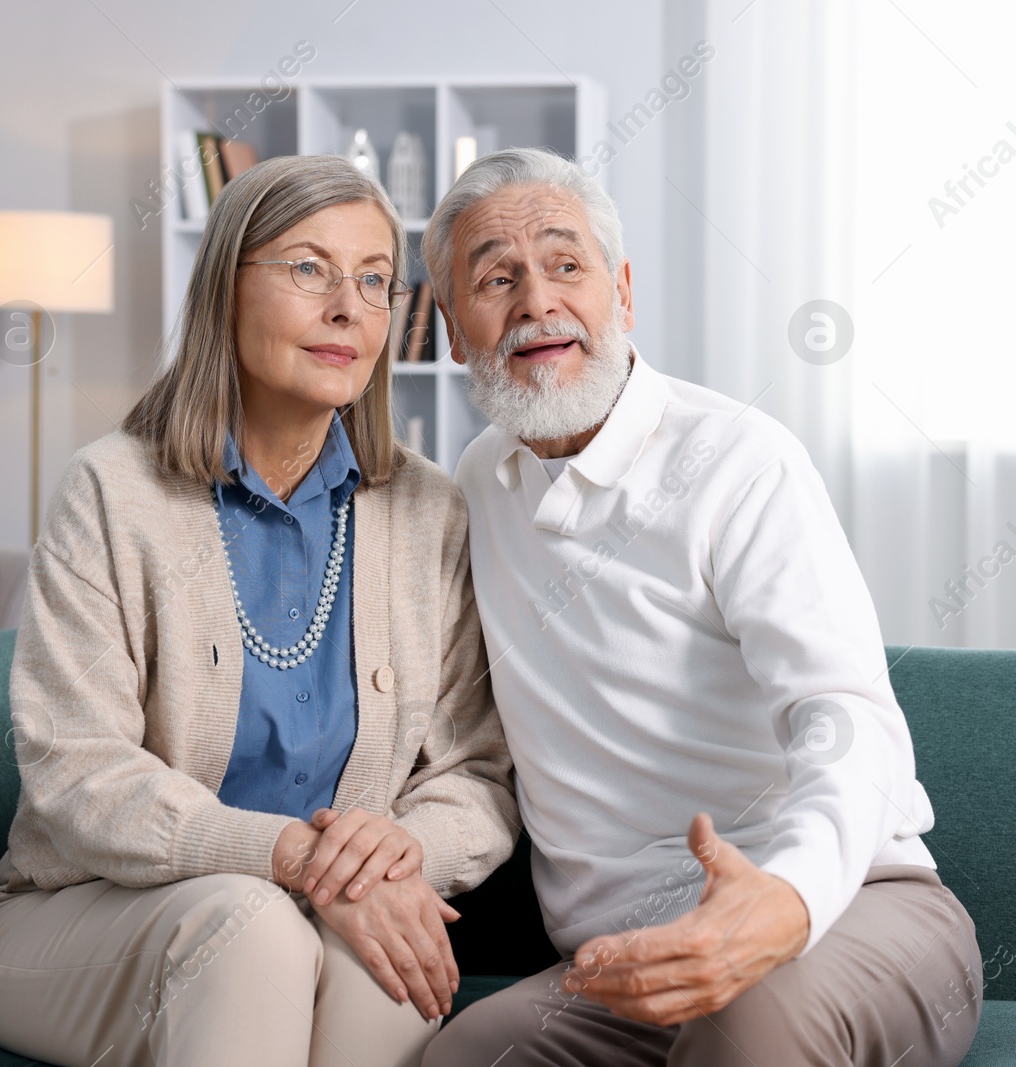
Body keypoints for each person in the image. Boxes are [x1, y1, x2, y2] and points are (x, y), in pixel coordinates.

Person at [0, 154, 518, 1067]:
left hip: (327, 908)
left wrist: (393, 853)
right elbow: (76, 768)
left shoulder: (430, 511)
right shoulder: (112, 492)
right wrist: (287, 855)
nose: (347, 307)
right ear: (225, 287)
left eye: (374, 280)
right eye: (307, 268)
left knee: (391, 959)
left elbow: (478, 772)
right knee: (250, 927)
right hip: (76, 918)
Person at [419, 148, 983, 1066]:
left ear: (623, 291)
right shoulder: (477, 484)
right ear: (452, 328)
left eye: (568, 265)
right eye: (496, 278)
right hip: (621, 969)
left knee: (746, 1019)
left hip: (847, 908)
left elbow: (843, 713)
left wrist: (785, 898)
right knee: (462, 1054)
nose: (536, 303)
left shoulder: (739, 460)